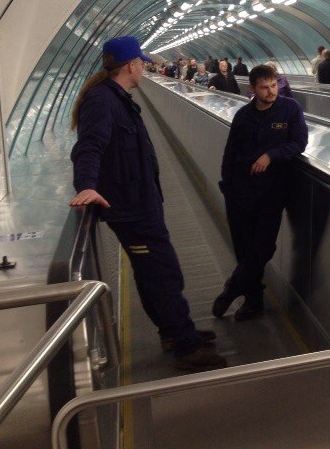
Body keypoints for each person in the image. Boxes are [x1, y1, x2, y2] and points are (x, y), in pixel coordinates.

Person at [68, 36, 225, 370]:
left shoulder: (116, 98)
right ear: (131, 66)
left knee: (152, 273)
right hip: (131, 208)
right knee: (162, 274)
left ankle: (174, 332)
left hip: (140, 202)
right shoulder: (103, 101)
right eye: (141, 62)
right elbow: (89, 146)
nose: (144, 67)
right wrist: (87, 186)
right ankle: (186, 347)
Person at [214, 63, 308, 321]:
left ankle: (233, 287)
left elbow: (299, 142)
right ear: (253, 89)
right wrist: (227, 186)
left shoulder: (290, 109)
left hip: (271, 193)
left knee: (263, 248)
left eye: (274, 85)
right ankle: (253, 301)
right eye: (264, 87)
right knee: (245, 249)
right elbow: (230, 153)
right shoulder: (243, 116)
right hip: (239, 192)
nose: (271, 91)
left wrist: (271, 155)